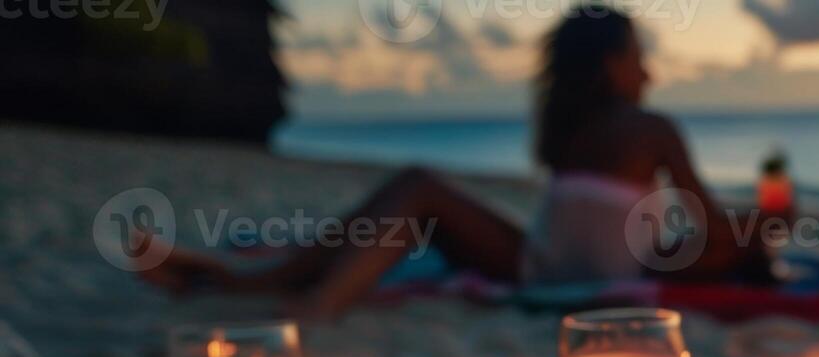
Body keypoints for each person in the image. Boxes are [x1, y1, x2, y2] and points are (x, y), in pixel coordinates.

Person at [137, 4, 762, 317]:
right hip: (560, 272)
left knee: (416, 190)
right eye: (638, 56)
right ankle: (297, 299)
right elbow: (702, 227)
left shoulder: (570, 132)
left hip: (538, 268)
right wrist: (752, 231)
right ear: (610, 67)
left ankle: (261, 282)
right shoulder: (651, 128)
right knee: (417, 192)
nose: (648, 70)